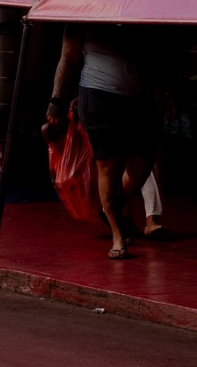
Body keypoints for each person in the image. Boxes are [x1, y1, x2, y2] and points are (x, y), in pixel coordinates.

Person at [50, 26, 162, 259]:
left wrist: (166, 90)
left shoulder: (138, 10)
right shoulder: (82, 13)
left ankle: (109, 206)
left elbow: (155, 52)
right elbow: (68, 57)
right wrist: (56, 100)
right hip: (99, 95)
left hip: (140, 98)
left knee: (143, 163)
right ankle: (118, 234)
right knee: (109, 167)